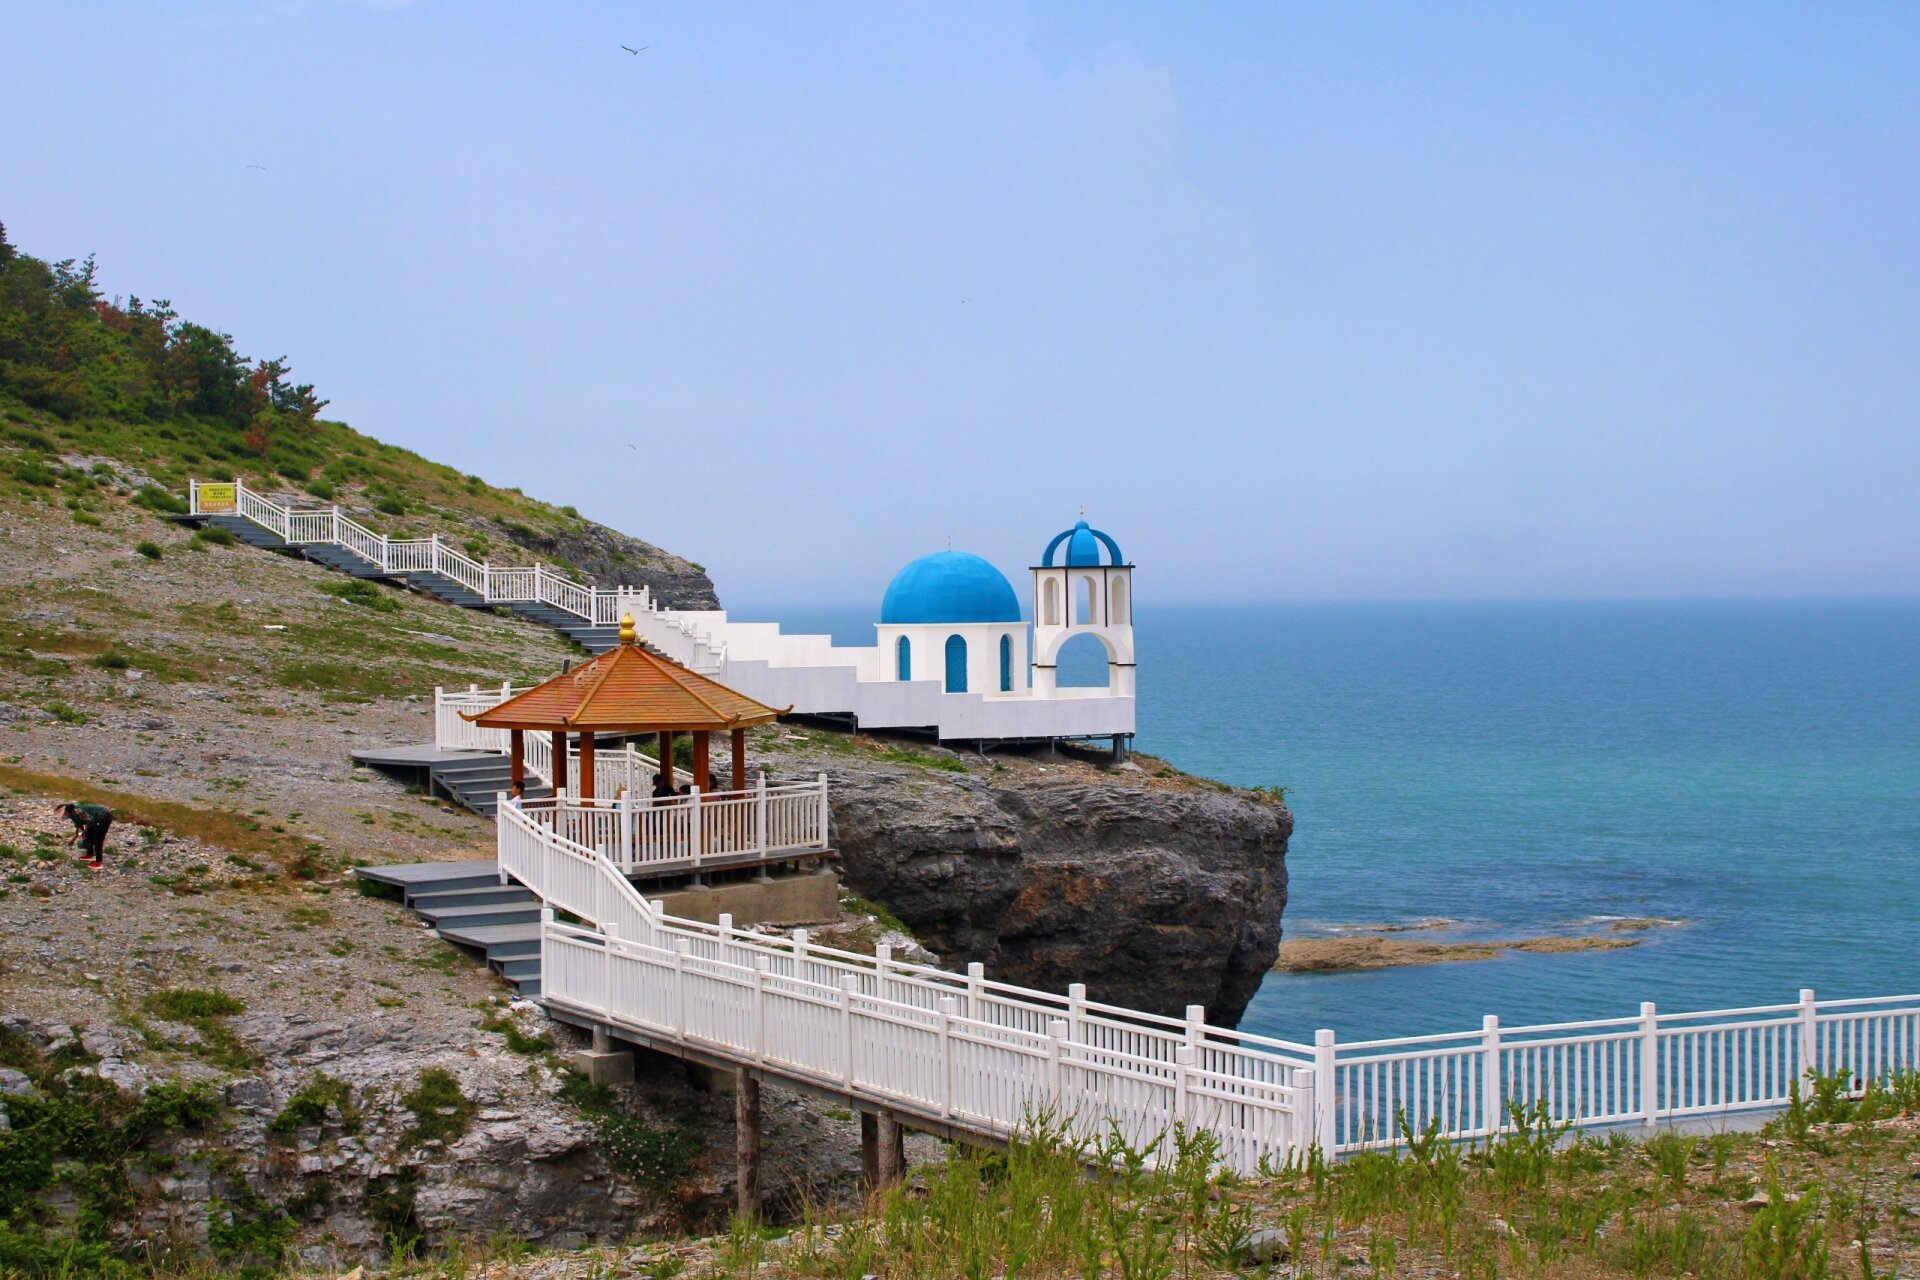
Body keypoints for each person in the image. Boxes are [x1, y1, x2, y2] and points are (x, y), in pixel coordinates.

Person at [57, 801, 113, 869]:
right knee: (88, 836)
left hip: (103, 817)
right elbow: (79, 828)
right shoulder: (72, 815)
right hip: (95, 819)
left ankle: (98, 862)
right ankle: (90, 854)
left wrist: (84, 834)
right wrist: (74, 839)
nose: (64, 816)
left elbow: (89, 820)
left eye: (64, 814)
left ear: (66, 811)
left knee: (98, 839)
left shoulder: (78, 811)